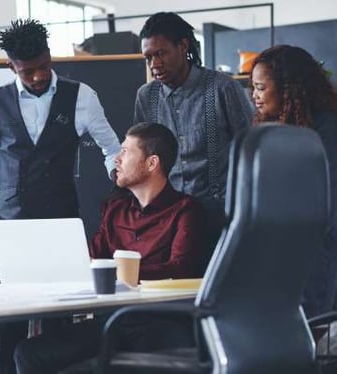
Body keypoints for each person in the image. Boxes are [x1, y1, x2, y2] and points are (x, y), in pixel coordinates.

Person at [0, 19, 120, 374]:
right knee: (9, 331)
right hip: (11, 229)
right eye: (27, 72)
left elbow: (112, 149)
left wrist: (122, 182)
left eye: (43, 67)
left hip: (62, 227)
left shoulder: (82, 96)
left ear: (50, 56)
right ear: (12, 67)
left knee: (60, 331)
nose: (38, 76)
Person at [14, 122, 208, 373]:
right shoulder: (115, 210)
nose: (116, 159)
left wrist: (120, 274)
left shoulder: (186, 211)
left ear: (152, 163)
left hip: (159, 323)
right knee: (29, 353)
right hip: (111, 323)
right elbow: (92, 257)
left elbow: (181, 269)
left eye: (126, 151)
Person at [134, 12, 253, 251]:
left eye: (160, 54)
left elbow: (250, 148)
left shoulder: (222, 87)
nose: (154, 64)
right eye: (148, 57)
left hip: (221, 213)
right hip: (169, 215)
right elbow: (140, 156)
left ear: (182, 46)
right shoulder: (146, 96)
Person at [250, 45, 337, 318]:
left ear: (289, 88)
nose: (255, 96)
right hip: (283, 248)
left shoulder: (326, 129)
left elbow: (327, 201)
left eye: (261, 88)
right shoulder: (279, 126)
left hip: (315, 250)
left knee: (312, 328)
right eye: (253, 87)